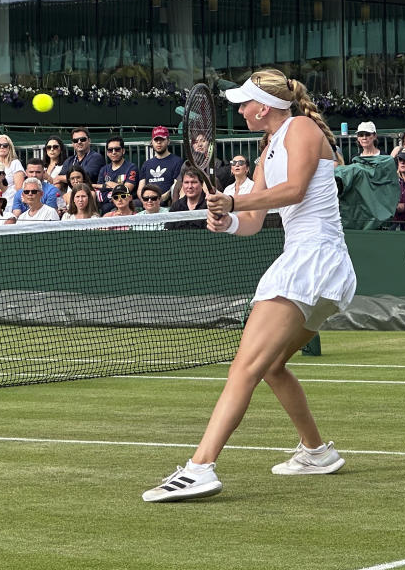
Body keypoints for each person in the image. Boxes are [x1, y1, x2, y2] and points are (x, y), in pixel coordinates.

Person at [142, 67, 356, 502]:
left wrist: (235, 198)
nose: (239, 110)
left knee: (243, 367)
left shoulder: (301, 128)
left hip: (313, 259)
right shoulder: (266, 151)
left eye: (245, 102)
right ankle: (317, 452)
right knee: (270, 367)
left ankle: (200, 467)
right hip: (315, 266)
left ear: (266, 106)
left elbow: (295, 190)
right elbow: (255, 222)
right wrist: (227, 220)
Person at [137, 126, 183, 205]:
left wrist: (161, 199)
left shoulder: (177, 161)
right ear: (152, 142)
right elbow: (140, 189)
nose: (159, 142)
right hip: (148, 201)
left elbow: (176, 187)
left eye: (162, 139)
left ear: (168, 141)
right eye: (156, 140)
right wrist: (146, 202)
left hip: (166, 202)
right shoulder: (147, 164)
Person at [95, 135, 138, 214]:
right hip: (107, 201)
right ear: (107, 153)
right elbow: (100, 189)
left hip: (125, 202)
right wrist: (114, 186)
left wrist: (110, 184)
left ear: (123, 151)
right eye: (110, 150)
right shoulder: (104, 169)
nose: (114, 152)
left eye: (117, 149)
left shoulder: (131, 168)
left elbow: (126, 189)